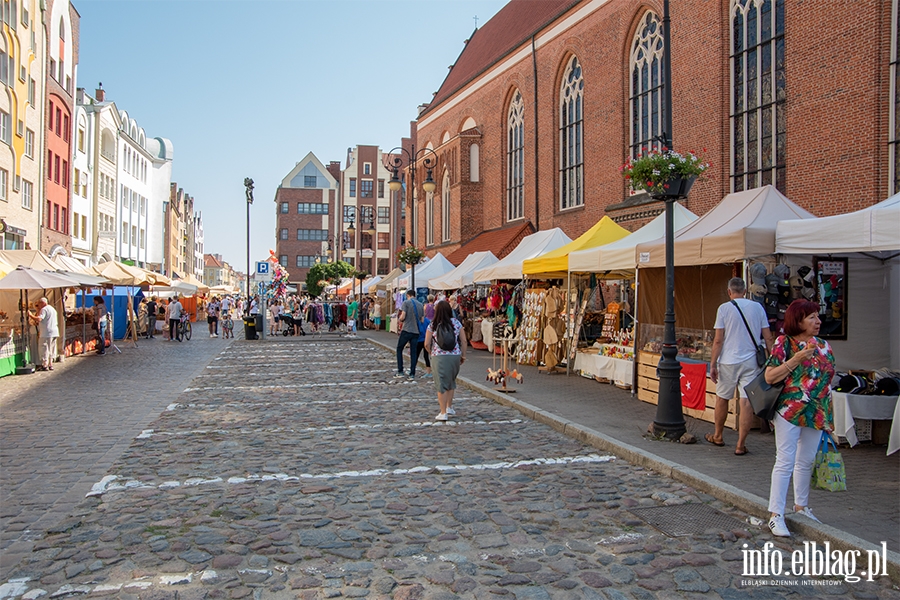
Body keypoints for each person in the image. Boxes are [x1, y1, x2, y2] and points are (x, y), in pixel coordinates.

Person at [765, 300, 835, 537]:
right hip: (790, 410)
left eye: (817, 316)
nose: (818, 321)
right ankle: (776, 514)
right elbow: (770, 377)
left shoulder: (824, 346)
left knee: (806, 461)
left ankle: (801, 506)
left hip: (816, 411)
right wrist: (796, 359)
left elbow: (827, 381)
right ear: (798, 320)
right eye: (812, 317)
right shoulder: (784, 343)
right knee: (785, 460)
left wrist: (828, 414)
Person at [707, 277, 774, 455]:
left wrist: (712, 363)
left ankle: (718, 435)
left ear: (729, 292)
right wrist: (774, 359)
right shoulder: (757, 308)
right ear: (745, 291)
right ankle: (740, 444)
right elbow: (768, 337)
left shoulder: (724, 309)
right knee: (746, 402)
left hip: (728, 360)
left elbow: (718, 340)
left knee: (722, 398)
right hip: (751, 361)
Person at [424, 300, 467, 421]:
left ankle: (443, 412)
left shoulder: (433, 324)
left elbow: (426, 343)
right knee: (451, 381)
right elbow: (463, 341)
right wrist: (463, 355)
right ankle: (449, 407)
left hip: (439, 356)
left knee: (441, 383)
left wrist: (432, 353)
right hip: (455, 355)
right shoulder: (456, 323)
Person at [395, 290, 424, 378]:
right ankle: (412, 373)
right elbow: (422, 320)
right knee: (414, 352)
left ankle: (400, 370)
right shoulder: (420, 304)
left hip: (407, 329)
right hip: (416, 331)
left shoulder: (406, 303)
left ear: (408, 295)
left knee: (399, 349)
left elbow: (403, 316)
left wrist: (400, 319)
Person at [29, 297, 59, 371]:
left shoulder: (44, 309)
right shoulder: (53, 309)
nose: (38, 305)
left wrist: (30, 315)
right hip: (54, 331)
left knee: (44, 348)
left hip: (46, 332)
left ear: (43, 303)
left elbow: (39, 319)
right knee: (52, 348)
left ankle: (45, 364)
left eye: (39, 303)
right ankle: (51, 364)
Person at [414, 313, 432, 378]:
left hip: (419, 340)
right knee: (426, 356)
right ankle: (428, 371)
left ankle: (412, 369)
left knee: (416, 355)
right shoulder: (427, 320)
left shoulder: (417, 321)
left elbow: (419, 330)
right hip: (426, 339)